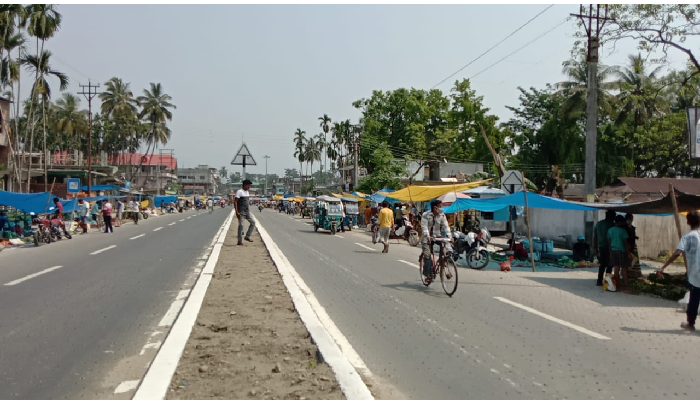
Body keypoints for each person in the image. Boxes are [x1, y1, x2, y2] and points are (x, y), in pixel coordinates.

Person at [657, 211, 700, 331]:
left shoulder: (688, 236)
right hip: (696, 274)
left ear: (687, 222)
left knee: (694, 300)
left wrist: (663, 267)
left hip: (696, 275)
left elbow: (677, 253)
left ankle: (690, 324)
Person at [421, 199, 452, 282]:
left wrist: (450, 236)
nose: (442, 208)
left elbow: (446, 226)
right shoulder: (425, 215)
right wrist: (427, 235)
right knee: (427, 256)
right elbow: (424, 227)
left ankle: (444, 259)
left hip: (437, 236)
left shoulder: (442, 215)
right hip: (426, 238)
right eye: (440, 207)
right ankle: (427, 274)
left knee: (446, 245)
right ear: (435, 208)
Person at [608, 214, 632, 293]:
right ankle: (627, 287)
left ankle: (616, 286)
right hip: (622, 252)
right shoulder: (623, 231)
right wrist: (628, 253)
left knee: (616, 269)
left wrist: (610, 251)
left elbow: (609, 242)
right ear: (620, 222)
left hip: (613, 252)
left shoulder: (610, 230)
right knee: (624, 269)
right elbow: (626, 244)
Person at [593, 210, 616, 286]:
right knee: (609, 264)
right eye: (614, 215)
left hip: (601, 247)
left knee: (602, 264)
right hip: (609, 247)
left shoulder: (599, 224)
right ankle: (607, 281)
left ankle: (599, 281)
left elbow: (595, 236)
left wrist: (595, 247)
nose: (615, 217)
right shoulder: (612, 225)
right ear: (610, 215)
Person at [235, 179, 255, 245]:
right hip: (241, 212)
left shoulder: (247, 192)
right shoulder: (239, 192)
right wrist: (236, 212)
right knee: (241, 225)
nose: (249, 186)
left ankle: (247, 236)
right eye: (249, 185)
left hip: (247, 211)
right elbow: (235, 202)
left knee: (253, 222)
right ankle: (239, 241)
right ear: (245, 185)